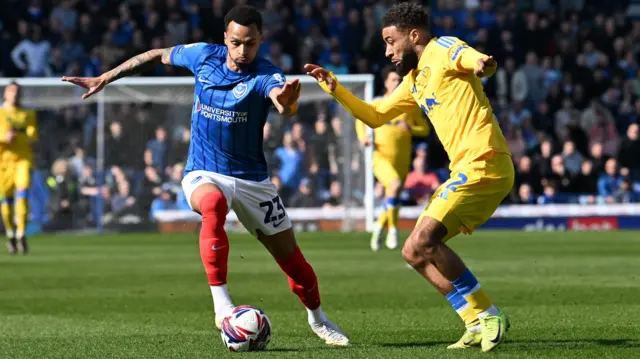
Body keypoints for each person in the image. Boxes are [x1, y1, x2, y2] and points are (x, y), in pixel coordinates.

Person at [62, 5, 348, 346]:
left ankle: (318, 319)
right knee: (212, 205)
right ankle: (222, 305)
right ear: (225, 38)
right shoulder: (202, 56)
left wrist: (287, 104)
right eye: (237, 42)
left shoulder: (264, 74)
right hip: (204, 170)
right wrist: (104, 78)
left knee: (293, 262)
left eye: (251, 43)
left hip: (252, 180)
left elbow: (282, 102)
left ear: (261, 40)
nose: (244, 51)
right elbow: (157, 54)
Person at [305, 2, 512, 352]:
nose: (387, 52)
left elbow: (470, 58)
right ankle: (472, 320)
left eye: (390, 41)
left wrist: (482, 64)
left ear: (413, 35)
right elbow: (374, 115)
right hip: (465, 169)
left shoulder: (442, 48)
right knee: (413, 252)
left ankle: (489, 313)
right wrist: (335, 89)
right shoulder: (414, 82)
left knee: (426, 240)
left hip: (485, 162)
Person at [356, 65, 429, 251]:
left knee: (393, 193)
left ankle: (380, 226)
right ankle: (393, 230)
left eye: (400, 80)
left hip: (402, 159)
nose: (397, 83)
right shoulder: (378, 103)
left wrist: (411, 128)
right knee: (394, 186)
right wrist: (364, 138)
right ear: (386, 83)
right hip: (380, 157)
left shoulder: (410, 105)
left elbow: (425, 129)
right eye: (394, 80)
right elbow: (359, 120)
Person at [0, 82, 38, 255]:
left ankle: (21, 232)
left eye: (17, 91)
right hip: (3, 163)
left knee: (22, 194)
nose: (14, 94)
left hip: (23, 160)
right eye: (11, 91)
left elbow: (33, 133)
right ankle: (10, 233)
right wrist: (4, 137)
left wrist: (29, 136)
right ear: (5, 94)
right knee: (6, 201)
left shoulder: (28, 113)